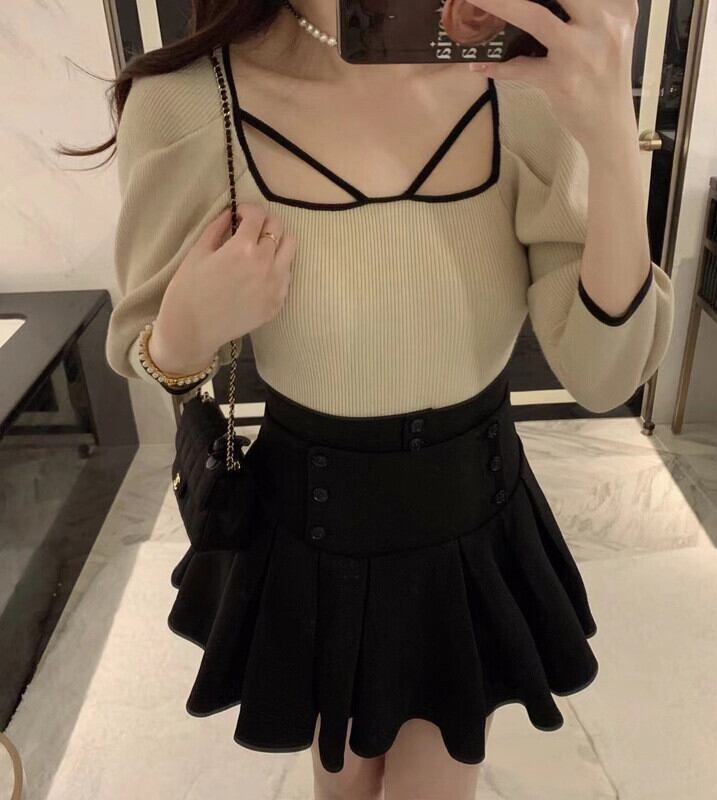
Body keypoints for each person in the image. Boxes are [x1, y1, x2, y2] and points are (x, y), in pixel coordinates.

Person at [78, 1, 674, 798]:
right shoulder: (189, 101)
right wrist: (185, 332)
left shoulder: (521, 82)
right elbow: (148, 351)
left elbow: (605, 375)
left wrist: (610, 138)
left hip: (470, 514)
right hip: (313, 527)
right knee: (343, 780)